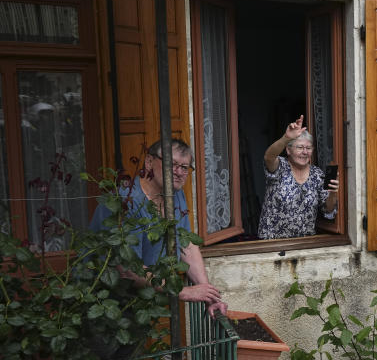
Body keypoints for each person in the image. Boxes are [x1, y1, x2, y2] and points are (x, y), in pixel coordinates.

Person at [89, 139, 226, 317]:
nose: (178, 172)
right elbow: (127, 270)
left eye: (185, 167)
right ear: (149, 162)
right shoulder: (125, 202)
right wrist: (183, 291)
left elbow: (186, 245)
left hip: (142, 306)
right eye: (172, 164)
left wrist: (208, 295)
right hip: (105, 307)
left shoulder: (175, 194)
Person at [258, 115, 339, 239]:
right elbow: (268, 157)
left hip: (304, 243)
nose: (305, 152)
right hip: (272, 242)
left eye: (308, 148)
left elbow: (328, 210)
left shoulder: (317, 174)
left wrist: (333, 193)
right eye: (300, 147)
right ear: (288, 150)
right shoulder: (280, 166)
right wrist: (286, 138)